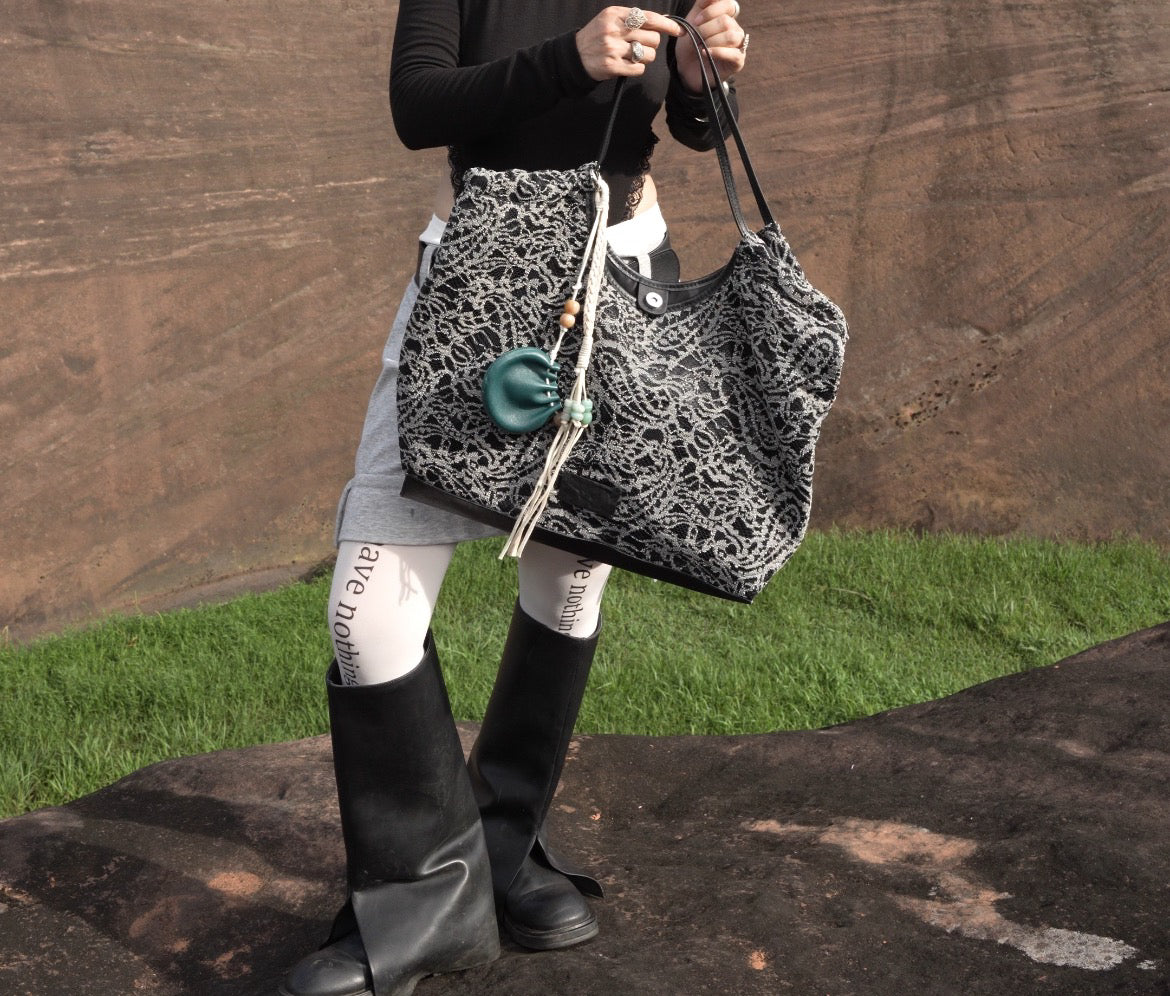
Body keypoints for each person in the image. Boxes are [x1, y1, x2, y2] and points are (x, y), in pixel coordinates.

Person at [279, 3, 749, 995]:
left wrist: (702, 81)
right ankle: (422, 894)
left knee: (567, 582)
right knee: (367, 618)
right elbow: (418, 106)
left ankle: (499, 846)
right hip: (474, 284)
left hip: (619, 282)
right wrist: (569, 57)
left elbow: (691, 126)